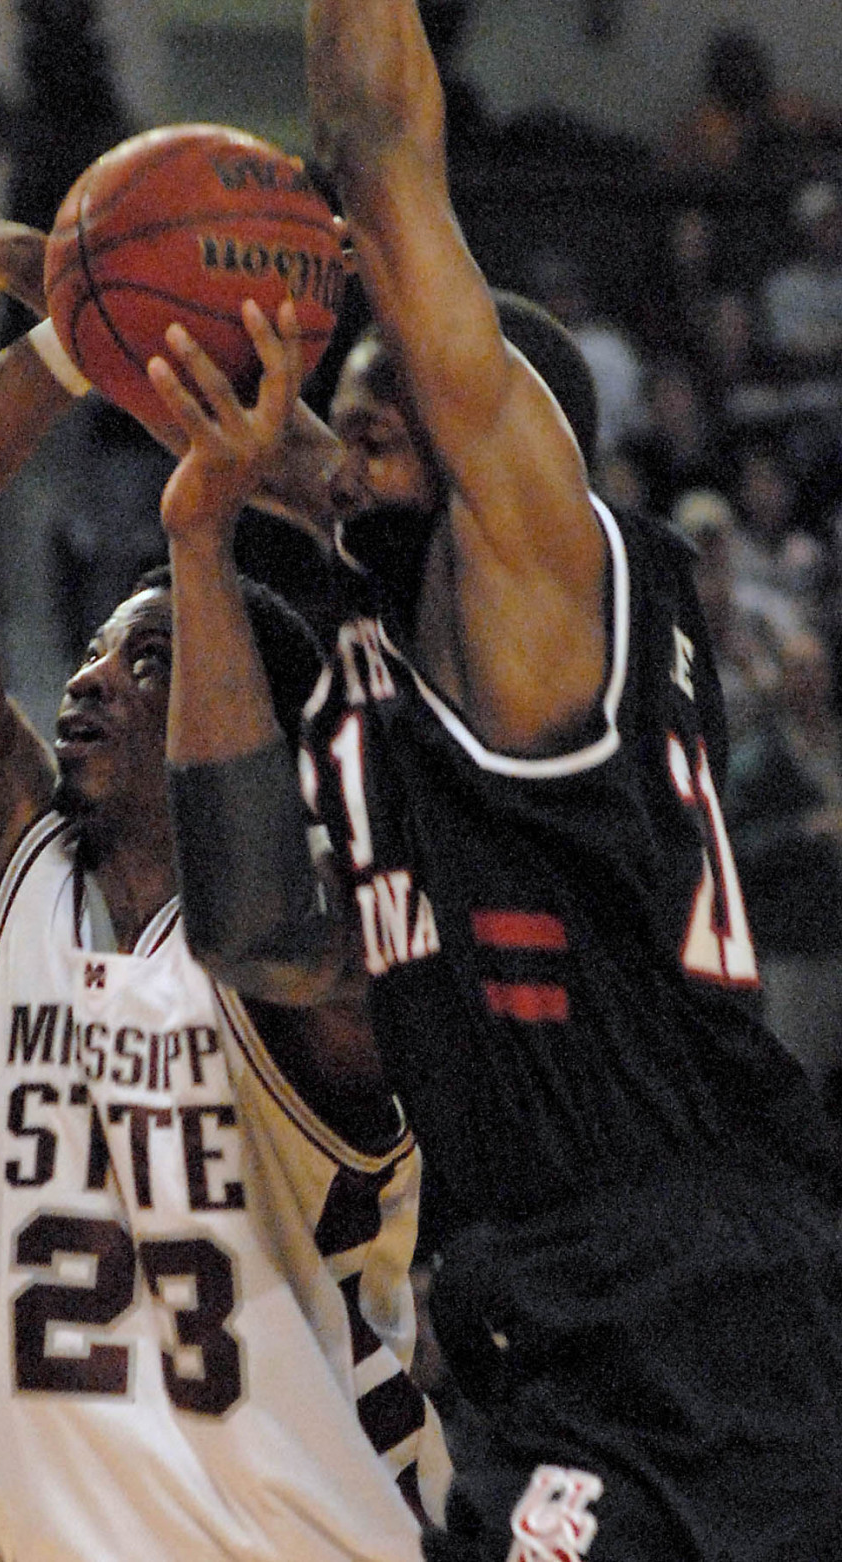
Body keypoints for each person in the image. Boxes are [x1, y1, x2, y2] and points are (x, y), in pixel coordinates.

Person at [141, 4, 842, 1557]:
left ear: (510, 453)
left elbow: (386, 167)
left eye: (395, 404)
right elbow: (262, 931)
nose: (355, 424)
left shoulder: (536, 586)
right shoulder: (401, 635)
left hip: (688, 1287)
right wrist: (49, 292)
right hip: (544, 1301)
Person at [0, 188, 447, 1560]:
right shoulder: (7, 885)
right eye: (93, 647)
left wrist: (239, 513)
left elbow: (428, 632)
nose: (86, 674)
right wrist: (80, 331)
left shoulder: (327, 946)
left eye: (152, 659)